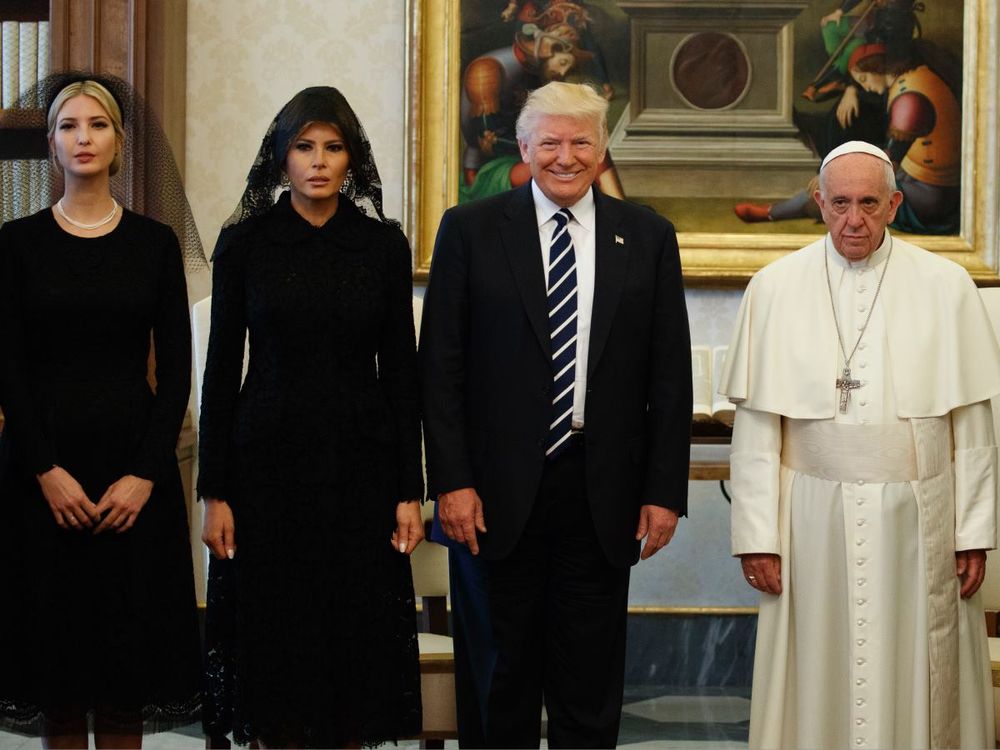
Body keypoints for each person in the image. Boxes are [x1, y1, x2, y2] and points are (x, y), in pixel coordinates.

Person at [420, 81, 692, 748]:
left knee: (589, 685)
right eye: (550, 142)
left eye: (580, 142)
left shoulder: (648, 236)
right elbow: (440, 369)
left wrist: (663, 493)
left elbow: (670, 375)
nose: (564, 156)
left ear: (603, 151)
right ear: (523, 148)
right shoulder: (471, 229)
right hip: (490, 494)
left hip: (601, 493)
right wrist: (451, 482)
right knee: (497, 680)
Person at [720, 140, 1000, 749]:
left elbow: (973, 427)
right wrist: (757, 538)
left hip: (920, 520)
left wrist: (973, 531)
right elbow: (759, 433)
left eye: (869, 203)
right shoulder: (773, 288)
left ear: (895, 203)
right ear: (818, 202)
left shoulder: (947, 286)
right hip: (809, 526)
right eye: (840, 202)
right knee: (817, 666)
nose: (854, 220)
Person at [197, 86, 424, 748]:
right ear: (281, 156)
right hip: (264, 468)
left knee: (353, 654)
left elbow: (401, 374)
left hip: (362, 469)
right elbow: (219, 373)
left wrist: (410, 491)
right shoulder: (246, 243)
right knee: (276, 652)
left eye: (333, 147)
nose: (319, 161)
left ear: (352, 160)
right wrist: (214, 491)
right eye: (304, 147)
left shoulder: (381, 245)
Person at [0, 74, 203, 747]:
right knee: (56, 681)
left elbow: (175, 373)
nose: (82, 138)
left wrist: (147, 474)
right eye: (68, 126)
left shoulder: (153, 243)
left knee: (125, 681)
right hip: (41, 480)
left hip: (132, 479)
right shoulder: (16, 243)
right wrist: (44, 470)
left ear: (119, 142)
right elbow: (8, 369)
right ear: (52, 145)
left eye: (97, 125)